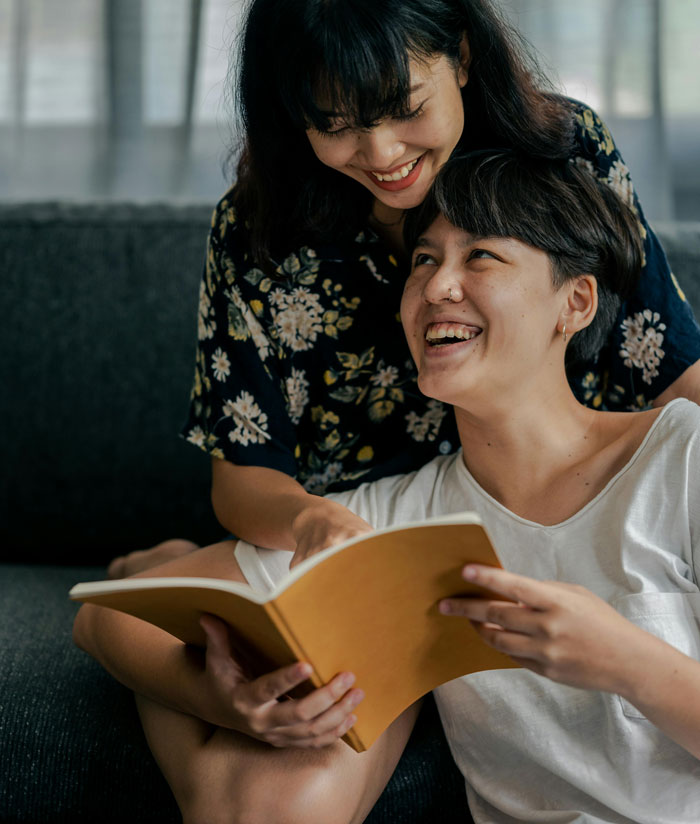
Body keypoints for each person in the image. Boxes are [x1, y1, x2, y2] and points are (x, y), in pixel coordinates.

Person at [75, 149, 700, 823]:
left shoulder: (682, 458)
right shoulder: (398, 520)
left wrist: (625, 660)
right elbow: (105, 616)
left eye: (480, 256)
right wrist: (217, 698)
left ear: (574, 302)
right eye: (424, 261)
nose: (436, 288)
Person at [108, 0, 700, 581]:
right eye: (335, 125)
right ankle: (162, 564)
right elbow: (246, 475)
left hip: (560, 507)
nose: (383, 155)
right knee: (173, 614)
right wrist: (316, 523)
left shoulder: (563, 152)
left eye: (404, 107)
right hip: (362, 541)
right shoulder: (260, 233)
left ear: (462, 55)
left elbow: (668, 362)